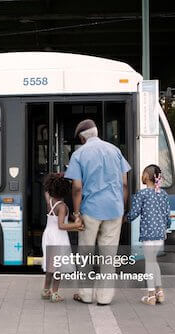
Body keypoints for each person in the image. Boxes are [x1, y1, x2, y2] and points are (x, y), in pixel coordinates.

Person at [64, 119, 131, 305]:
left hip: (90, 210)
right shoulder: (115, 151)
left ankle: (85, 295)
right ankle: (104, 297)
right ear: (96, 133)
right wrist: (123, 209)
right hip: (115, 209)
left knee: (85, 253)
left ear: (82, 138)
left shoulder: (78, 155)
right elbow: (124, 184)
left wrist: (76, 213)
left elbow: (77, 188)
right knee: (108, 255)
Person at [126, 164, 171, 305]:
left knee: (149, 263)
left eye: (144, 173)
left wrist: (124, 219)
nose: (142, 175)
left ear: (147, 176)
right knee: (154, 262)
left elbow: (134, 213)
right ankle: (160, 292)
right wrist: (165, 228)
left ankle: (151, 295)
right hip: (160, 235)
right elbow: (167, 216)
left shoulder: (142, 194)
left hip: (148, 235)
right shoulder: (163, 194)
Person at [41, 173, 85, 303]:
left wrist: (57, 176)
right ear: (65, 191)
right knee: (58, 267)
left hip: (48, 235)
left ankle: (45, 290)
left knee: (50, 266)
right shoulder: (62, 207)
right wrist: (76, 225)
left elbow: (46, 190)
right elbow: (61, 225)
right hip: (58, 238)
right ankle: (54, 293)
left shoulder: (49, 200)